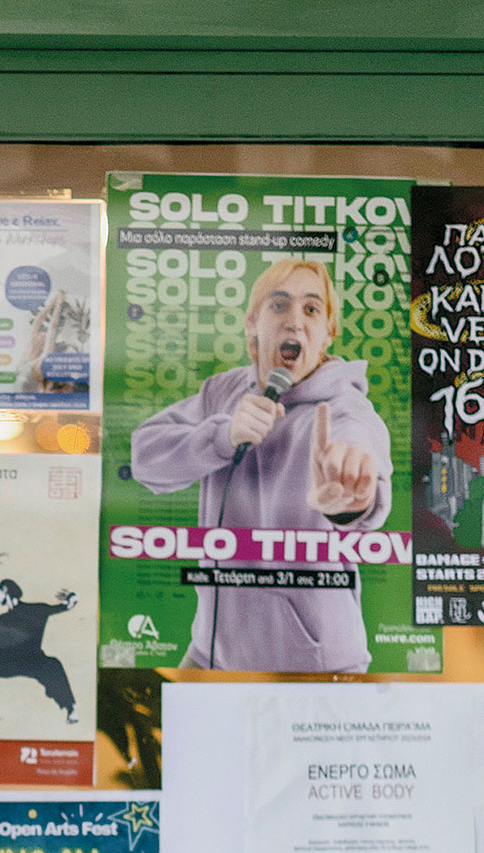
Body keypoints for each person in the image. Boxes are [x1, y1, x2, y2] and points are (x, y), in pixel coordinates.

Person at [125, 256, 389, 673]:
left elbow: (357, 451)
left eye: (311, 309)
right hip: (208, 654)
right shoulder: (224, 391)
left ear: (326, 333)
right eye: (279, 305)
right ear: (253, 323)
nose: (295, 322)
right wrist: (221, 435)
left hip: (309, 668)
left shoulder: (344, 408)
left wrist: (352, 491)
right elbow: (144, 456)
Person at [0, 579, 79, 720]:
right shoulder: (9, 616)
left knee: (53, 665)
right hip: (19, 662)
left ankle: (70, 710)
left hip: (27, 662)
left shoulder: (27, 612)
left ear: (5, 592)